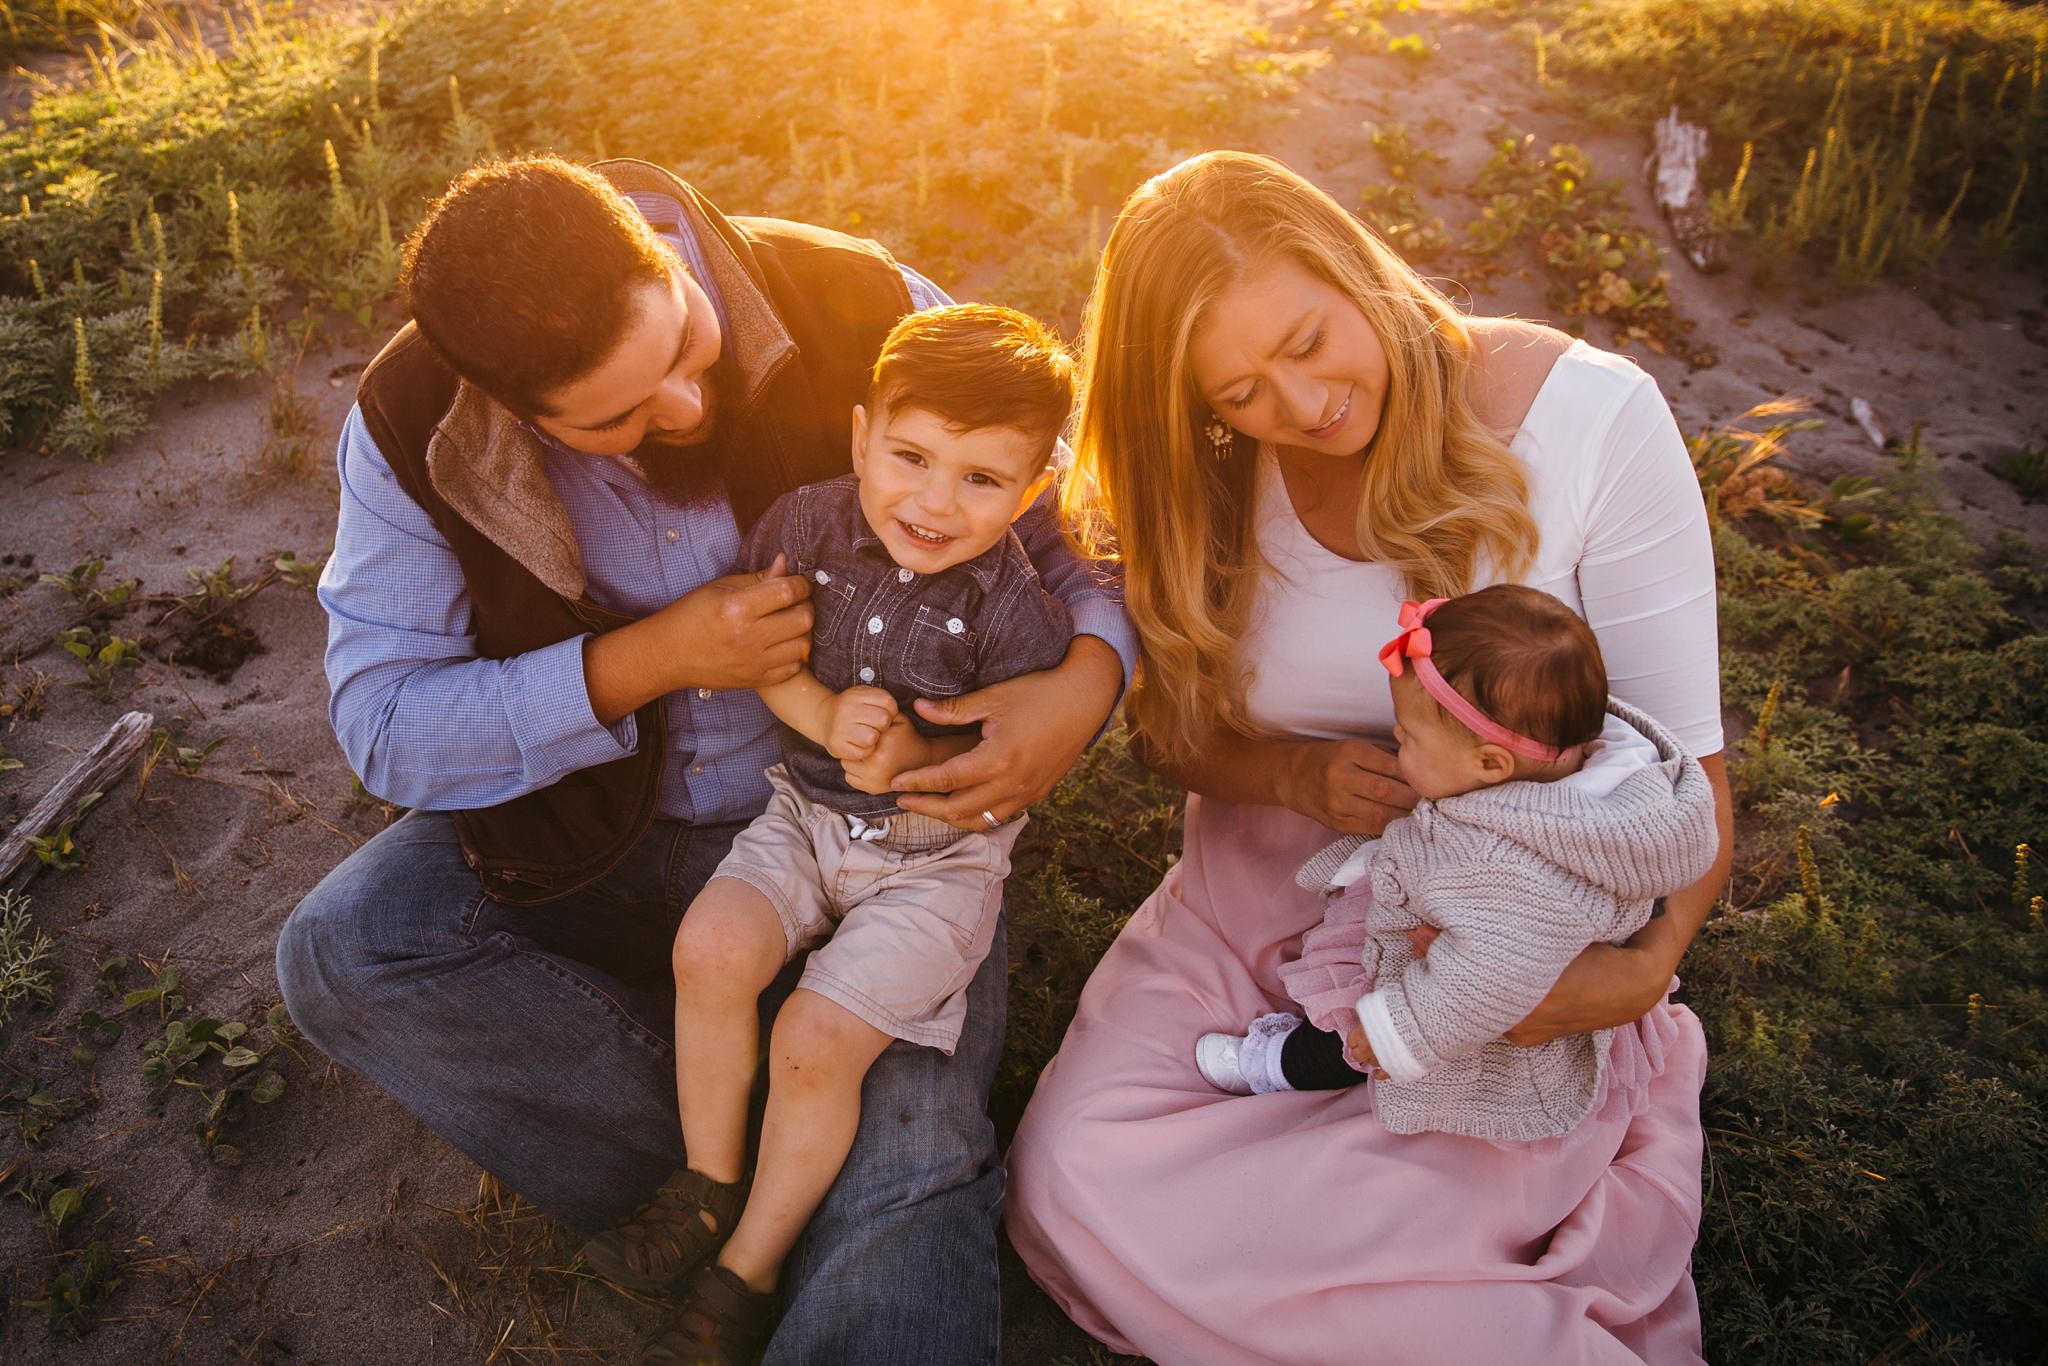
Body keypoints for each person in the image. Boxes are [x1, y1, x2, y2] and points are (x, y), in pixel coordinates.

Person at [272, 155, 1134, 1364]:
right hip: (594, 837)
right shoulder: (416, 417)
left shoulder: (863, 300)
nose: (683, 406)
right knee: (345, 948)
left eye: (685, 340)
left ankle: (773, 1203)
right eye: (617, 415)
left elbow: (1076, 527)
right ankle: (774, 1180)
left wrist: (1085, 680)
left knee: (905, 1149)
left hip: (889, 836)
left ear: (655, 249)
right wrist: (649, 659)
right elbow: (386, 725)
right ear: (518, 411)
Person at [1006, 150, 1732, 1364]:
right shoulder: (1213, 473)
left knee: (1390, 1222)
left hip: (1503, 934)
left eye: (1308, 341)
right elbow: (1173, 734)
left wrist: (1640, 968)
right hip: (1256, 900)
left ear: (1353, 267)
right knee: (1073, 1176)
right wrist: (1290, 777)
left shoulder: (1590, 419)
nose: (1300, 407)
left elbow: (1686, 776)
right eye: (1238, 391)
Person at [580, 305, 1077, 1361]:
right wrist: (819, 718)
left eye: (982, 480)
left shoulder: (1018, 618)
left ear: (1032, 491)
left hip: (935, 861)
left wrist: (912, 764)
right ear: (861, 437)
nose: (934, 503)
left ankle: (741, 1275)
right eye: (909, 458)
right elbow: (769, 659)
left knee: (811, 1042)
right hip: (803, 812)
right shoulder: (803, 527)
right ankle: (708, 1184)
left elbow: (1002, 771)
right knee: (708, 948)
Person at [1195, 586, 1720, 1150]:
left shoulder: (1510, 872)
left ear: (1490, 764)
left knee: (1355, 1038)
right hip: (1472, 946)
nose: (1396, 742)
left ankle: (1283, 1063)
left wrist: (1399, 1030)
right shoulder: (1583, 781)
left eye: (1407, 737)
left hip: (1465, 1006)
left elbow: (1484, 982)